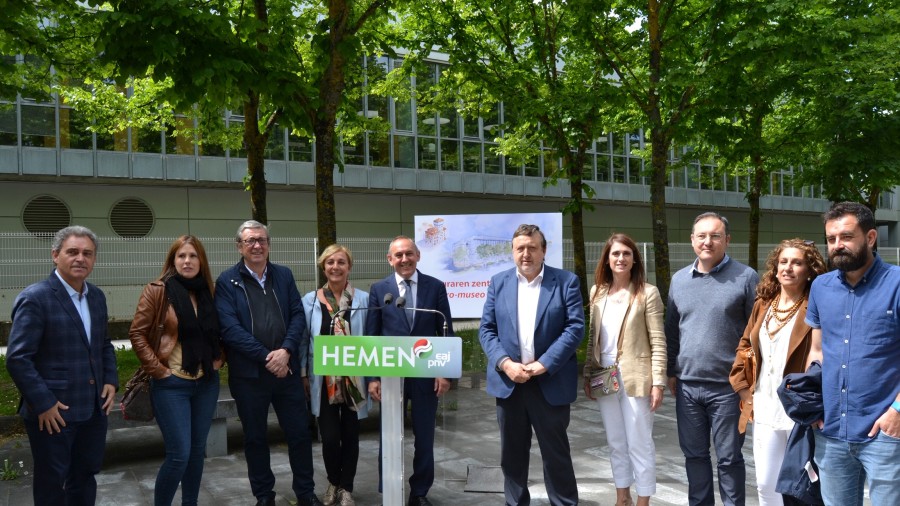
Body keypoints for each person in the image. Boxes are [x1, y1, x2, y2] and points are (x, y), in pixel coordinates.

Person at [6, 225, 118, 505]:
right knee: (52, 484)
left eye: (87, 253)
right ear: (55, 255)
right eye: (73, 252)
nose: (81, 258)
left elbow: (104, 345)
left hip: (93, 409)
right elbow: (18, 357)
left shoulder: (97, 297)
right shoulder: (36, 298)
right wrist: (43, 403)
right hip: (54, 413)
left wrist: (110, 381)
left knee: (85, 477)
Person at [215, 220, 323, 506]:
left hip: (285, 372)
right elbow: (229, 329)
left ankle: (305, 492)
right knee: (255, 438)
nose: (257, 245)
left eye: (262, 240)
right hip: (249, 376)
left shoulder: (284, 275)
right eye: (250, 241)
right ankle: (264, 495)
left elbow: (298, 315)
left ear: (269, 244)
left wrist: (286, 351)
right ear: (239, 246)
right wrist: (267, 356)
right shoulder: (227, 281)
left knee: (300, 434)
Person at [479, 224, 584, 506]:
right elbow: (486, 330)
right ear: (512, 252)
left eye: (532, 247)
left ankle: (564, 503)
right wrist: (505, 363)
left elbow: (574, 328)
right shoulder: (498, 282)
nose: (526, 254)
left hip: (549, 382)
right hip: (509, 383)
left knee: (556, 454)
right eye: (520, 248)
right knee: (511, 455)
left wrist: (543, 365)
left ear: (544, 250)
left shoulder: (566, 282)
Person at [805, 202, 900, 506]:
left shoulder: (897, 283)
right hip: (831, 430)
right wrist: (814, 405)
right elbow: (816, 350)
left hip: (885, 432)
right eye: (831, 239)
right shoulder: (821, 286)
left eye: (846, 237)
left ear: (870, 237)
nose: (837, 246)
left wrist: (898, 411)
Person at [665, 212, 759, 506]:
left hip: (728, 389)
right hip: (688, 388)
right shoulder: (679, 280)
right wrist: (671, 371)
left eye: (715, 236)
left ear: (727, 240)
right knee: (694, 456)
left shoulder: (746, 277)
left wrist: (751, 382)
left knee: (730, 459)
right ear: (692, 240)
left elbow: (756, 334)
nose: (708, 241)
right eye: (702, 236)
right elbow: (671, 331)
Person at [129, 235, 226, 506]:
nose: (187, 261)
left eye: (193, 256)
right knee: (179, 454)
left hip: (206, 383)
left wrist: (220, 358)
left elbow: (224, 330)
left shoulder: (211, 291)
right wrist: (158, 371)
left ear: (201, 261)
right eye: (181, 256)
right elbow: (137, 334)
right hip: (171, 385)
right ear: (173, 260)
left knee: (196, 452)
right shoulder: (158, 291)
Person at [728, 239, 827, 506]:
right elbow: (746, 344)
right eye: (783, 262)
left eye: (797, 262)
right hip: (764, 405)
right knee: (765, 484)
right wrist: (744, 389)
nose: (788, 268)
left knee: (800, 488)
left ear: (810, 269)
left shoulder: (816, 305)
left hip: (799, 409)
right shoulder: (764, 303)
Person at [365, 236, 454, 506]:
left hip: (426, 373)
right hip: (391, 376)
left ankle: (419, 492)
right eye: (398, 255)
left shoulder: (435, 287)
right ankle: (389, 488)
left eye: (409, 254)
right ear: (389, 259)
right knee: (389, 435)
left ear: (418, 256)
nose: (404, 259)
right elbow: (372, 334)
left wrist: (445, 372)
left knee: (425, 436)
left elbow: (444, 329)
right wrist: (372, 378)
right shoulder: (379, 289)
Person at [583, 233, 666, 506]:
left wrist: (658, 383)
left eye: (626, 254)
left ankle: (643, 500)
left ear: (634, 259)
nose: (621, 258)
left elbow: (657, 340)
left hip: (636, 377)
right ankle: (622, 497)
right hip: (604, 376)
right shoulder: (597, 292)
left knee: (639, 443)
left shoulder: (647, 293)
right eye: (615, 253)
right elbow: (592, 337)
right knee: (616, 441)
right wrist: (588, 373)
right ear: (607, 259)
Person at [302, 244, 371, 506]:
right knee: (330, 437)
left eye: (341, 262)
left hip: (355, 379)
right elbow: (302, 340)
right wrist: (303, 374)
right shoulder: (309, 301)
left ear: (349, 267)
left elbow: (371, 337)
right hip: (324, 380)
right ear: (323, 267)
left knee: (351, 436)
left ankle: (347, 488)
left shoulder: (363, 300)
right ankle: (333, 481)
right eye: (330, 262)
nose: (335, 267)